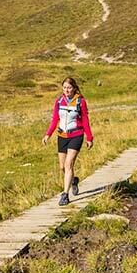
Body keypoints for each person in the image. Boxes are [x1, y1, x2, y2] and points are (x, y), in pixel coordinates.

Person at [42, 77, 94, 206]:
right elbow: (55, 119)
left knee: (68, 164)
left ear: (74, 88)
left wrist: (89, 137)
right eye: (64, 88)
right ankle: (73, 180)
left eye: (69, 88)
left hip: (76, 135)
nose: (67, 90)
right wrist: (48, 134)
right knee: (62, 167)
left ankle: (65, 195)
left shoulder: (80, 101)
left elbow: (85, 120)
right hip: (62, 136)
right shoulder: (59, 101)